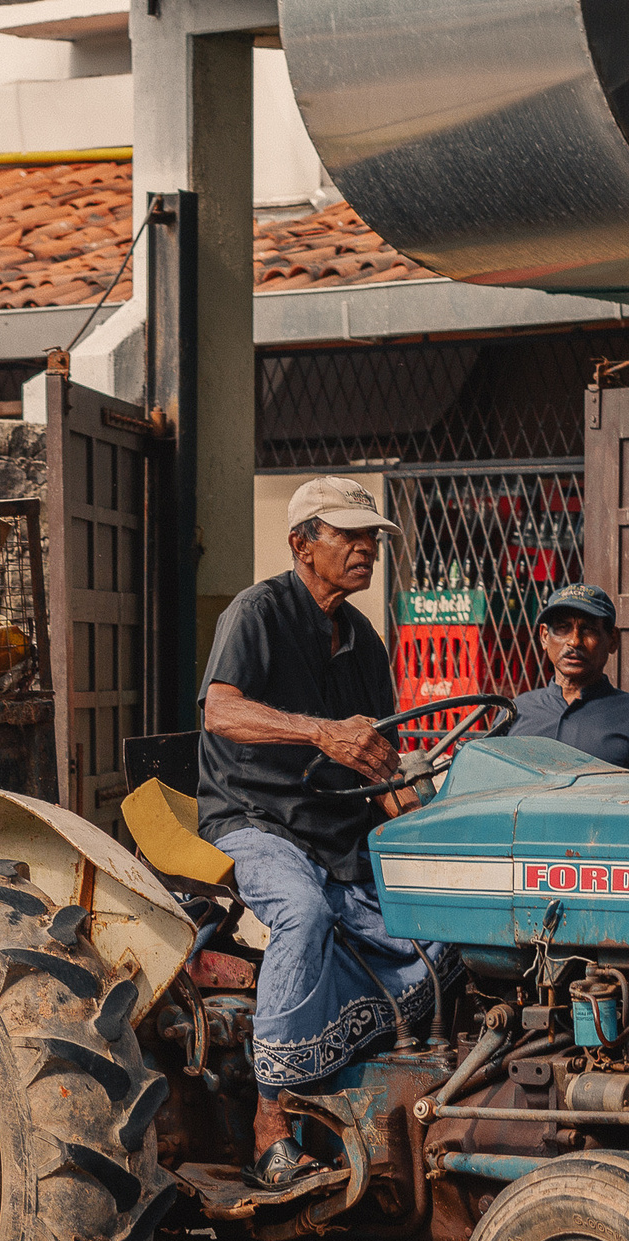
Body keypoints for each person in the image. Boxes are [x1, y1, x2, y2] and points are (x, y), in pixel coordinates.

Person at [199, 476, 443, 1191]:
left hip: (340, 830)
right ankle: (270, 1120)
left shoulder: (364, 640)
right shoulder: (257, 611)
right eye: (350, 535)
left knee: (434, 934)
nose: (367, 549)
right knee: (303, 913)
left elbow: (382, 758)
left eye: (372, 538)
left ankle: (377, 1102)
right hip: (256, 820)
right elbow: (220, 712)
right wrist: (319, 733)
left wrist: (425, 826)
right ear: (301, 544)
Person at [505, 583, 629, 772]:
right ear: (544, 637)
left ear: (613, 640)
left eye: (589, 629)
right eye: (563, 628)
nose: (574, 641)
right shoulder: (517, 714)